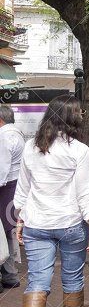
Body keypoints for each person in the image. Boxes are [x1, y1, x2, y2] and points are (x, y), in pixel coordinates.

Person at [13, 95, 89, 307]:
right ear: (72, 117)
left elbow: (22, 190)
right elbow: (85, 193)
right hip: (70, 223)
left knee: (37, 280)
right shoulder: (80, 151)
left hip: (37, 223)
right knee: (72, 276)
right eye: (80, 112)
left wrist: (20, 219)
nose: (83, 116)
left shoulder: (31, 147)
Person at [0, 106, 24, 291]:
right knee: (8, 231)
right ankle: (10, 274)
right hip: (12, 186)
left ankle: (8, 274)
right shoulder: (17, 134)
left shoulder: (4, 136)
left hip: (5, 187)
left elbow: (2, 167)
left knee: (5, 232)